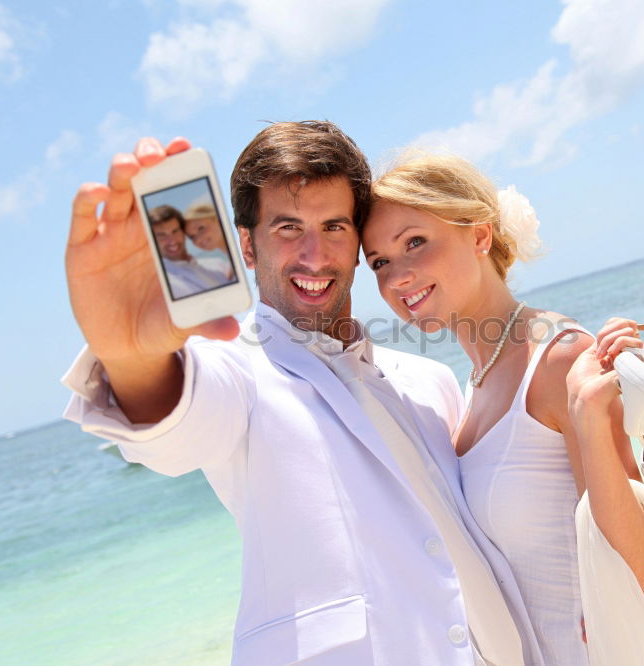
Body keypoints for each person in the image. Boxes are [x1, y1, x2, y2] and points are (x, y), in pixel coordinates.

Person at [62, 122, 548, 665]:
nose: (315, 255)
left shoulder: (430, 383)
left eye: (334, 227)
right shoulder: (239, 374)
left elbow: (511, 508)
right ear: (246, 245)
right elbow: (176, 424)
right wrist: (132, 358)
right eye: (288, 228)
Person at [363, 152, 644, 665]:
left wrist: (593, 418)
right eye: (378, 262)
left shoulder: (560, 359)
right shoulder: (473, 389)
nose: (397, 276)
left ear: (480, 235)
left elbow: (638, 575)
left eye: (414, 242)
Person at [148, 204, 234, 298]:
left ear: (183, 232)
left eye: (175, 231)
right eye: (161, 235)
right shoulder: (163, 284)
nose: (172, 240)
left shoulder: (218, 264)